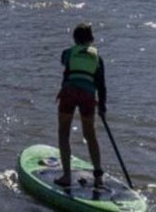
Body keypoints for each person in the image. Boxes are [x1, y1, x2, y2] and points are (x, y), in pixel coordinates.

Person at [54, 23, 107, 189]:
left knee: (64, 132)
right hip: (88, 95)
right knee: (90, 134)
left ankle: (67, 176)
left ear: (75, 39)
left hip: (69, 91)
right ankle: (98, 176)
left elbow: (64, 63)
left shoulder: (68, 53)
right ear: (91, 39)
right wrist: (102, 107)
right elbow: (101, 85)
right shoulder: (98, 58)